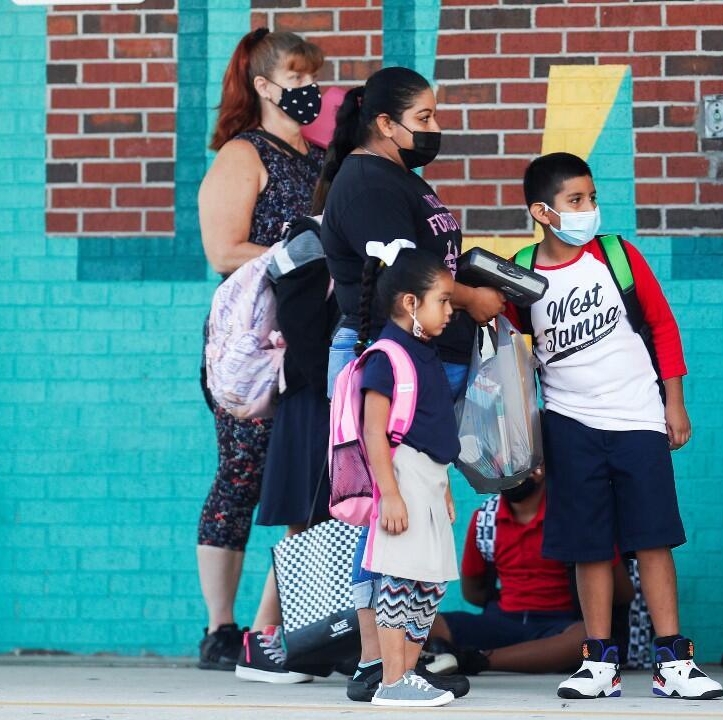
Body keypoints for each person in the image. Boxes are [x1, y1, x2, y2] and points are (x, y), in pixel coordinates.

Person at [313, 65, 501, 701]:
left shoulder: (397, 177)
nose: (434, 128)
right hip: (395, 362)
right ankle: (378, 664)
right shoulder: (366, 183)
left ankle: (400, 662)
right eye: (423, 118)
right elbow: (404, 276)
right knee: (387, 516)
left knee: (413, 513)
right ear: (384, 123)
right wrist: (471, 298)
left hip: (426, 360)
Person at [512, 152, 722, 701]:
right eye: (575, 200)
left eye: (592, 197)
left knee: (653, 539)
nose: (589, 208)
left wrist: (675, 403)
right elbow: (506, 355)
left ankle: (673, 661)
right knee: (589, 547)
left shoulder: (617, 256)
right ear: (542, 212)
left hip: (639, 418)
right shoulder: (523, 273)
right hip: (568, 426)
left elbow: (663, 324)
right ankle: (599, 663)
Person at [194, 27, 327, 672]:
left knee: (305, 479)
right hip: (252, 343)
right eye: (297, 78)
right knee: (241, 474)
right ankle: (220, 628)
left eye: (313, 77)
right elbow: (223, 251)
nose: (309, 89)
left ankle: (271, 629)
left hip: (309, 337)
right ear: (265, 86)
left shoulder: (322, 157)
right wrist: (298, 254)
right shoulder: (242, 155)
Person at [234, 218, 341, 684]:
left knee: (325, 521)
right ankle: (260, 640)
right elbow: (303, 329)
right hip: (315, 400)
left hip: (324, 398)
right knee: (306, 521)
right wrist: (335, 390)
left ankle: (305, 640)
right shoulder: (310, 242)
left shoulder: (332, 240)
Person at [356, 247, 462, 708]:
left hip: (430, 479)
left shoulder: (423, 352)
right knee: (400, 578)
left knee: (430, 581)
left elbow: (434, 428)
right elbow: (373, 432)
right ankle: (392, 679)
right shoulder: (387, 355)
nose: (451, 310)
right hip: (403, 476)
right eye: (443, 300)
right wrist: (391, 494)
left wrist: (446, 486)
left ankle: (409, 674)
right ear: (410, 303)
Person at [421, 474, 636, 676]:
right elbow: (473, 592)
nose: (508, 470)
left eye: (518, 462)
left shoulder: (573, 517)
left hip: (560, 624)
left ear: (540, 469)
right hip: (502, 622)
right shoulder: (485, 519)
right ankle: (469, 657)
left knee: (589, 637)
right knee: (425, 621)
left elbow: (623, 593)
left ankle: (477, 660)